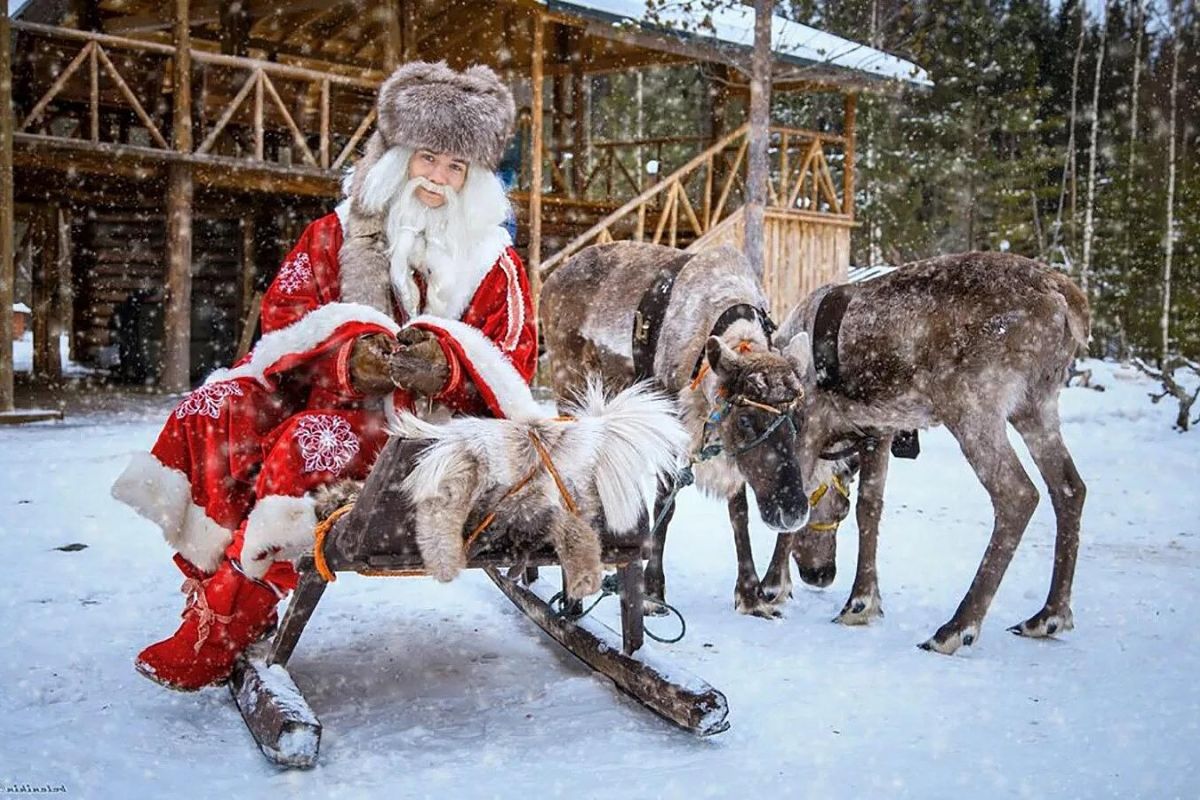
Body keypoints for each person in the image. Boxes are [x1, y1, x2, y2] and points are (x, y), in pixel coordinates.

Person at [111, 61, 538, 692]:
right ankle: (215, 583)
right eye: (427, 158)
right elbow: (283, 322)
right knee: (214, 407)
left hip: (433, 437)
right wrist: (348, 357)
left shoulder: (494, 264)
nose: (438, 178)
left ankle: (231, 614)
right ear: (398, 158)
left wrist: (447, 367)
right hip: (334, 401)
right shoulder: (333, 236)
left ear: (473, 178)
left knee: (305, 443)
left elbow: (513, 363)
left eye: (456, 167)